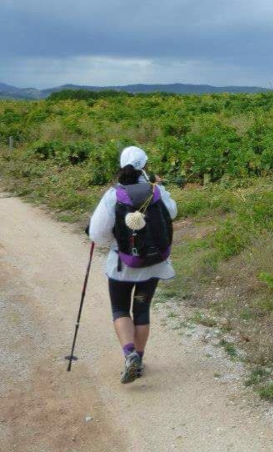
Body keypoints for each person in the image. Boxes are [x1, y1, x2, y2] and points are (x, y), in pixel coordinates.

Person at [88, 145, 177, 384]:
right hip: (153, 265)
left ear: (121, 166)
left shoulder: (113, 194)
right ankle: (139, 359)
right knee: (141, 309)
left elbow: (97, 234)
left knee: (120, 309)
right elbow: (173, 212)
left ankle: (129, 354)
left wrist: (115, 242)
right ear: (145, 166)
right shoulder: (156, 191)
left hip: (123, 265)